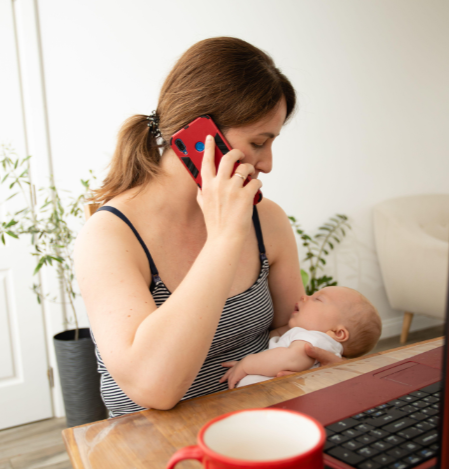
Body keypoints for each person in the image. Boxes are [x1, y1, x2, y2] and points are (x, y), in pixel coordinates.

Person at [74, 37, 343, 417]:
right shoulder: (109, 237)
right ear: (198, 135)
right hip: (157, 446)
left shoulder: (268, 221)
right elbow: (155, 388)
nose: (266, 164)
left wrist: (321, 358)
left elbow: (291, 331)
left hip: (262, 425)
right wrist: (224, 239)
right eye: (258, 142)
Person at [219, 286, 382, 388]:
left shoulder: (315, 340)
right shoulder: (308, 336)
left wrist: (247, 364)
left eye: (317, 299)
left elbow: (289, 359)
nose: (304, 296)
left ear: (337, 333)